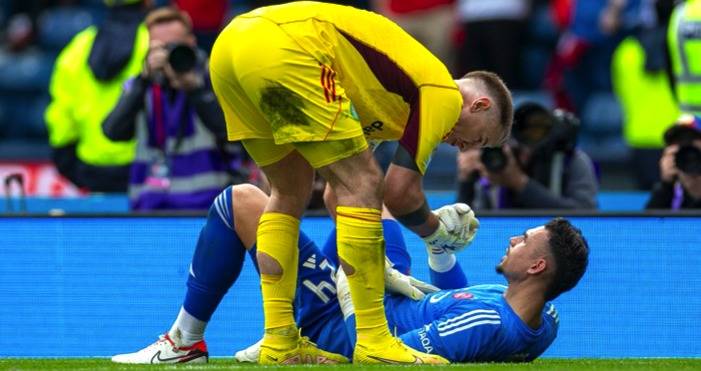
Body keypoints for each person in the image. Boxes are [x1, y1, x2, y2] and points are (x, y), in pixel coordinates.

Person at [209, 2, 513, 364]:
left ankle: (279, 342)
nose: (464, 148)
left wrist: (377, 264)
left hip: (231, 46)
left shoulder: (389, 105)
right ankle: (374, 342)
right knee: (367, 180)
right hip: (289, 45)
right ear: (477, 106)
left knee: (289, 191)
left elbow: (338, 194)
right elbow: (398, 193)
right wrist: (436, 233)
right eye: (479, 140)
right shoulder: (443, 94)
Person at [111, 184, 589, 364]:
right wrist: (439, 252)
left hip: (345, 321)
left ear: (537, 266)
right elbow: (457, 302)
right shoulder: (540, 315)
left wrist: (350, 290)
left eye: (524, 241)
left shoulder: (492, 324)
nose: (513, 240)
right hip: (391, 294)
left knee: (240, 202)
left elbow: (384, 355)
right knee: (358, 195)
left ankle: (183, 343)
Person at [102, 7, 247, 211]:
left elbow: (232, 134)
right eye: (161, 47)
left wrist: (195, 91)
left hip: (208, 203)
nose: (169, 54)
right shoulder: (141, 84)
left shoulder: (214, 77)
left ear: (191, 42)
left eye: (174, 46)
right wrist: (143, 81)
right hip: (151, 203)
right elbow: (112, 131)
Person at [44, 0, 152, 192]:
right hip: (147, 171)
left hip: (91, 169)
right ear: (148, 2)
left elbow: (60, 115)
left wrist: (68, 164)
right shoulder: (155, 45)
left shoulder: (78, 46)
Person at [457, 102, 598, 209]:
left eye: (538, 128)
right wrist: (466, 182)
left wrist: (519, 182)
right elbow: (467, 228)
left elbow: (585, 214)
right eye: (525, 128)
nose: (531, 134)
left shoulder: (571, 160)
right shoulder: (495, 158)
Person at [646, 116, 701, 209]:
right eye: (678, 141)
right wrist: (666, 185)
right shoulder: (673, 191)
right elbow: (649, 223)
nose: (686, 148)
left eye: (692, 140)